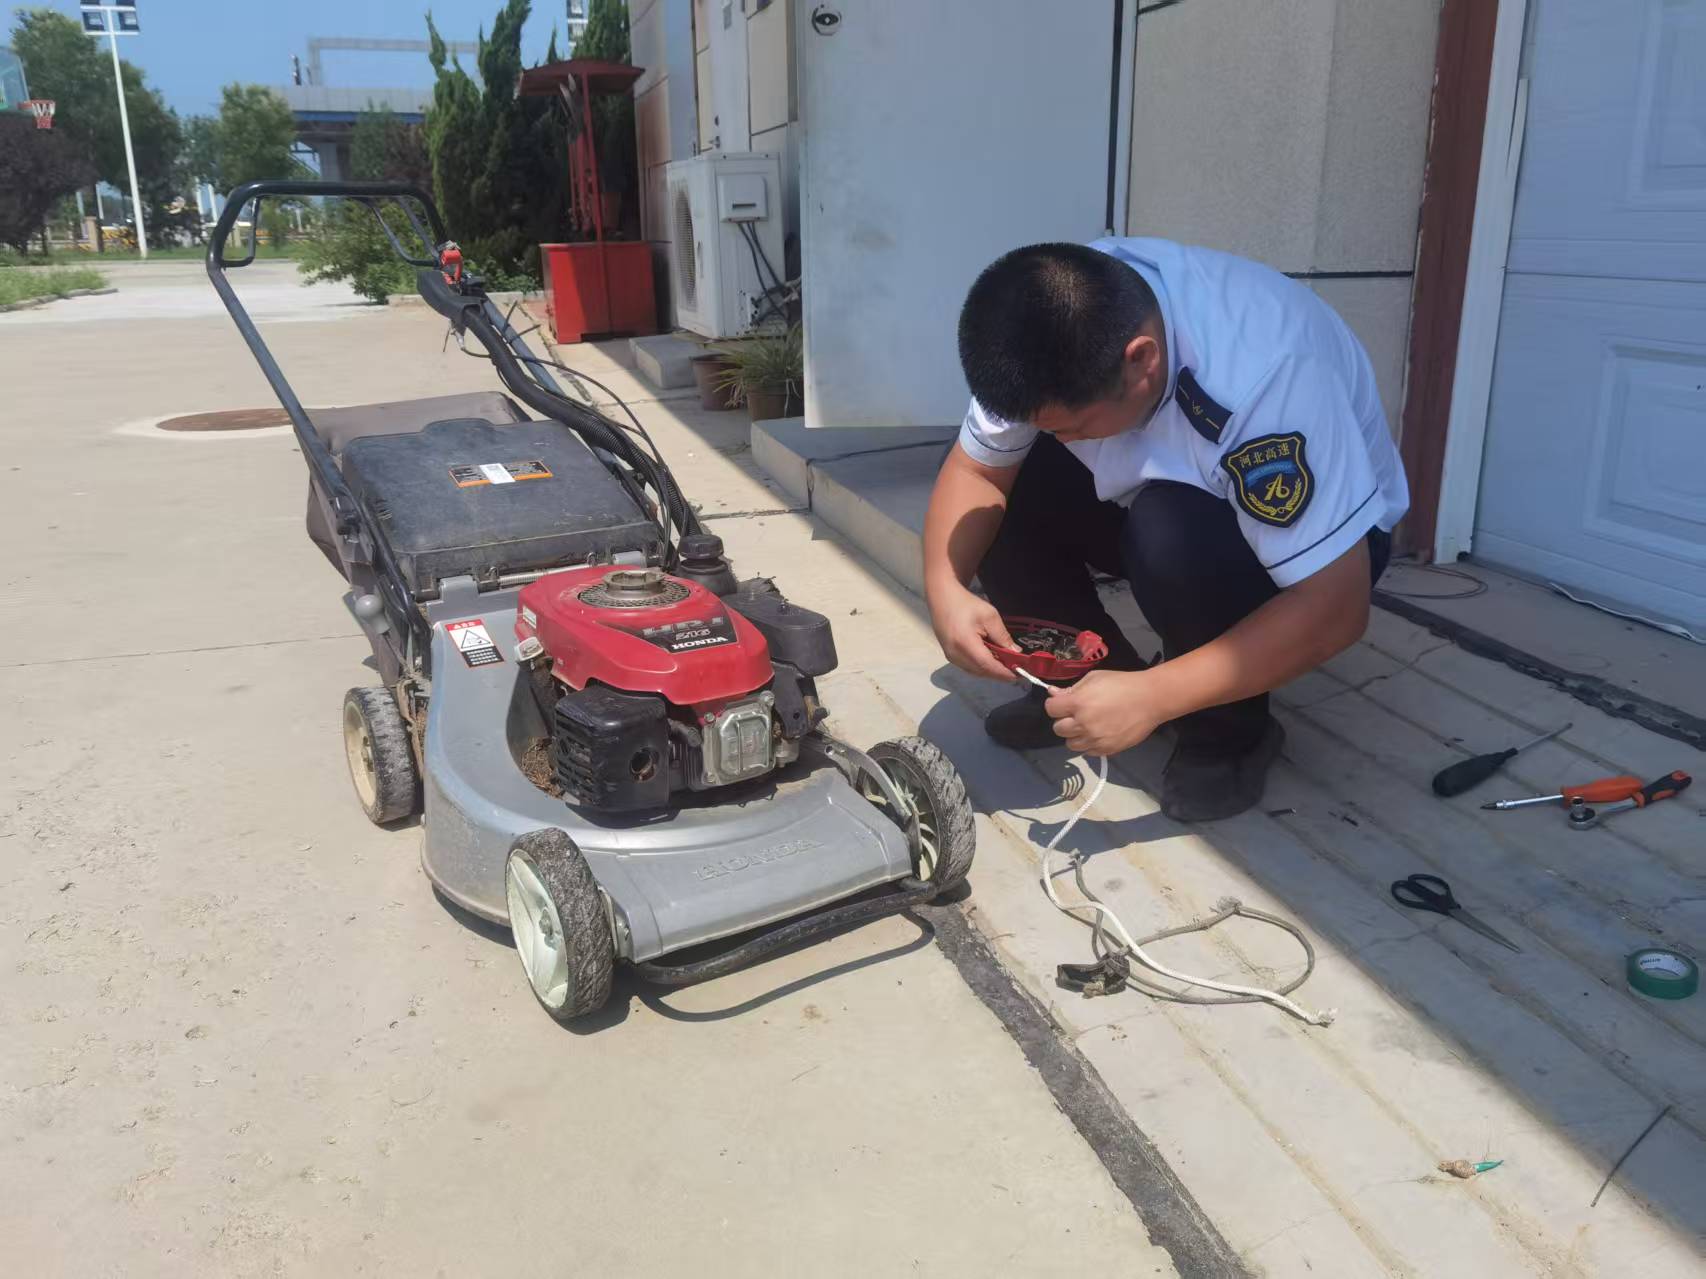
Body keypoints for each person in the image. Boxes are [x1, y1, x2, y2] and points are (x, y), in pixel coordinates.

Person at [923, 239, 1409, 821]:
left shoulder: (1265, 379)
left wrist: (1157, 697)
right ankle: (1082, 683)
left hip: (1323, 552)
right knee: (1010, 485)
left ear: (1142, 361)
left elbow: (1336, 607)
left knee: (1171, 531)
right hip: (1158, 500)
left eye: (1070, 426)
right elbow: (976, 472)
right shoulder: (1044, 327)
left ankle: (1227, 734)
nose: (1059, 438)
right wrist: (944, 590)